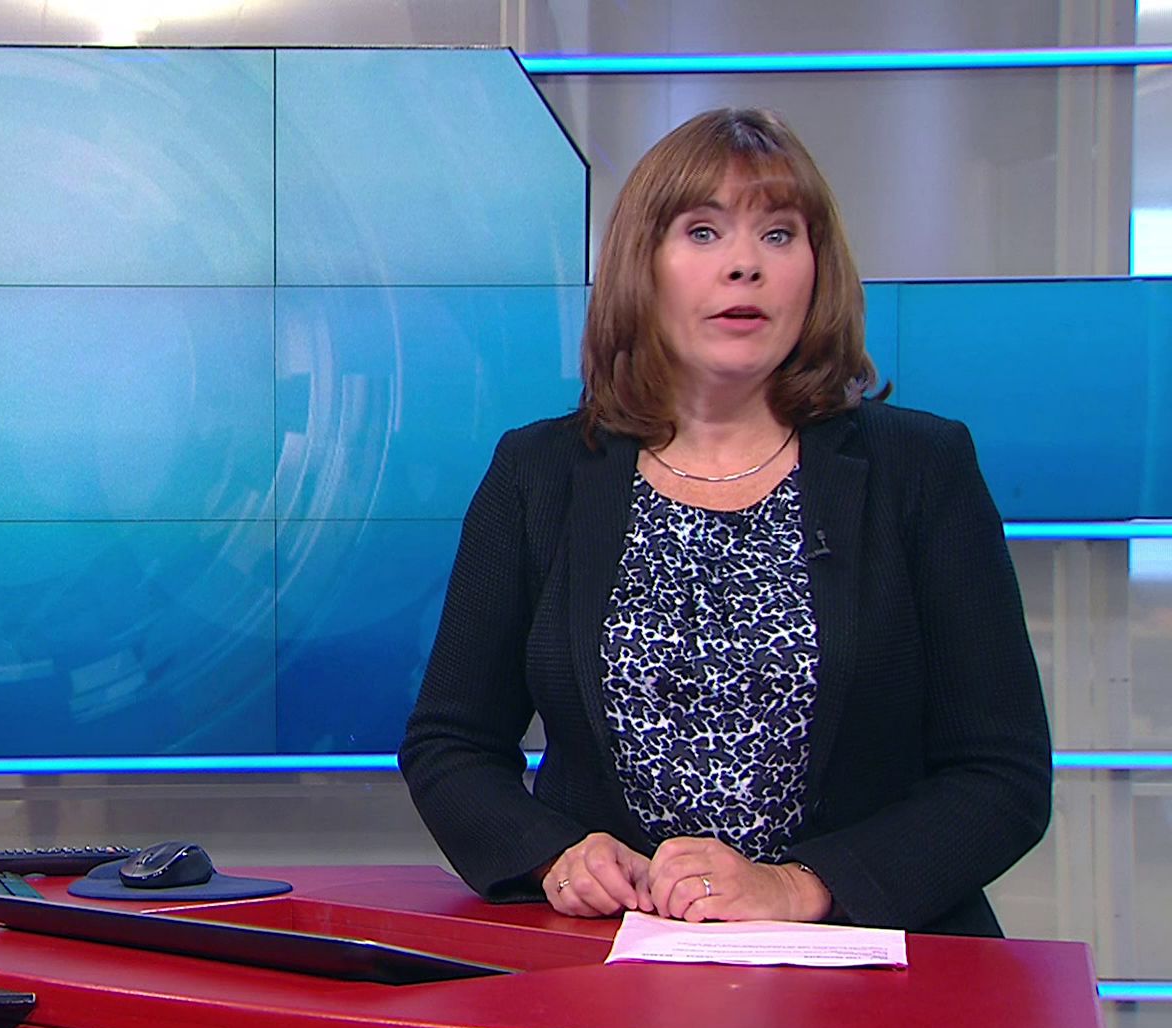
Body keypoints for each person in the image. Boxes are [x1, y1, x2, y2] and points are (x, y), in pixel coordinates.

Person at [397, 107, 1051, 936]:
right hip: (616, 962)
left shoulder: (920, 469)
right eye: (703, 232)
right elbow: (450, 743)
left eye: (778, 235)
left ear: (817, 268)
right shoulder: (539, 474)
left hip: (869, 967)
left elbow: (1001, 775)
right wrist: (555, 854)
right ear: (643, 266)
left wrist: (800, 887)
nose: (745, 264)